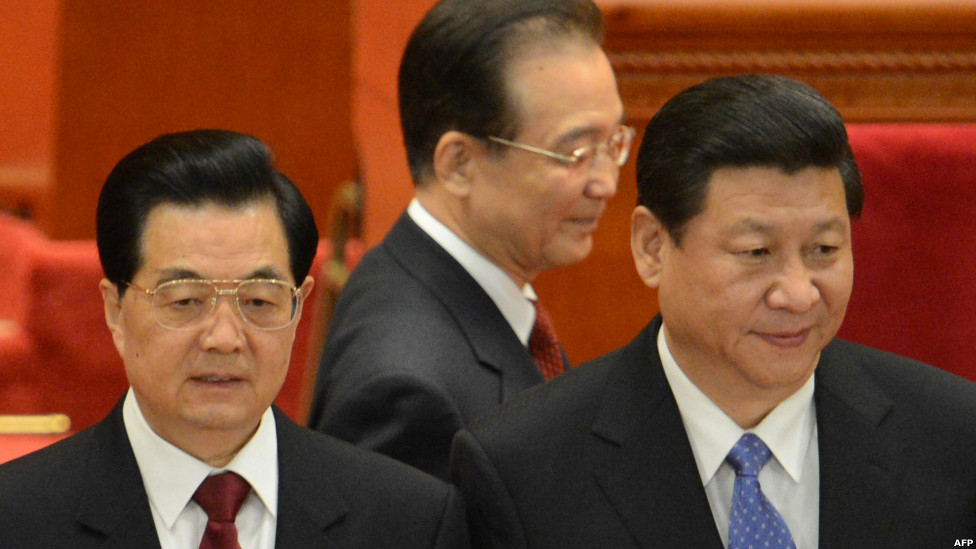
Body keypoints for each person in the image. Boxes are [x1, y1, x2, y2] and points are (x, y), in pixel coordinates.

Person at [451, 74, 976, 549]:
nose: (798, 294)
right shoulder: (524, 470)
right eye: (756, 252)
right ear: (653, 247)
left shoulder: (955, 437)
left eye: (824, 250)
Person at [0, 130, 468, 549]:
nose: (225, 339)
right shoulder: (16, 519)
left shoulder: (409, 521)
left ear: (298, 307)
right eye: (185, 300)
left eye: (258, 301)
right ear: (115, 311)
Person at [306, 0, 631, 481]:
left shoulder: (417, 272)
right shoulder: (407, 393)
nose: (606, 183)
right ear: (459, 164)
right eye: (575, 153)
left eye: (613, 144)